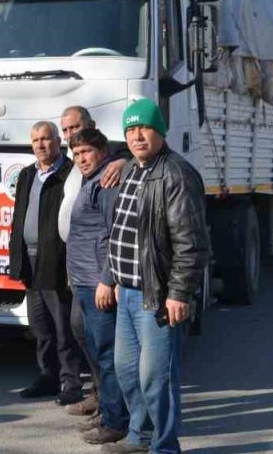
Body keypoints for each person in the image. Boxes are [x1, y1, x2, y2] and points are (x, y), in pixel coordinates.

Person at [105, 98, 209, 454]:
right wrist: (114, 278)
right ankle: (140, 437)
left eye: (144, 128)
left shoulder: (176, 174)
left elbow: (191, 243)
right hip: (128, 293)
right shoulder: (134, 170)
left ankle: (164, 447)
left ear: (160, 131)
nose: (136, 136)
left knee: (156, 379)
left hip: (158, 296)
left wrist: (179, 293)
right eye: (130, 130)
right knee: (127, 372)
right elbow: (120, 229)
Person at [9, 121, 87, 405]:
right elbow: (19, 217)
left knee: (63, 327)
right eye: (35, 140)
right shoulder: (28, 174)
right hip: (30, 263)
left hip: (56, 261)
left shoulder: (69, 173)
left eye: (46, 139)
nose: (40, 145)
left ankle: (71, 383)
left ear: (57, 142)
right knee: (40, 327)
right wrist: (15, 257)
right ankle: (47, 376)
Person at [64, 129, 133, 446]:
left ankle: (116, 421)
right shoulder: (90, 179)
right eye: (77, 155)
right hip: (84, 282)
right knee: (97, 352)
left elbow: (113, 236)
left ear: (103, 151)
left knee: (107, 356)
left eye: (87, 152)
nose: (81, 159)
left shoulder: (107, 181)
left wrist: (108, 280)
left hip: (98, 285)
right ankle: (108, 412)